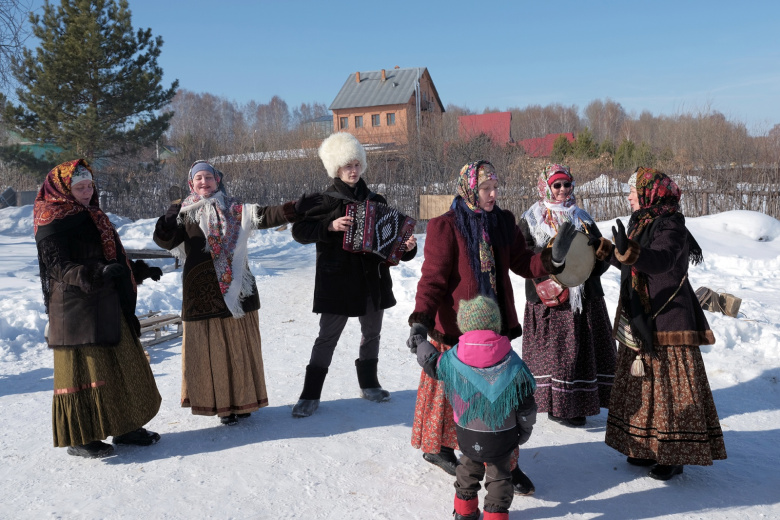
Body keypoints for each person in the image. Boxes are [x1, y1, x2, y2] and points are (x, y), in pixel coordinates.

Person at [407, 160, 577, 494]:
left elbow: (522, 262)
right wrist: (419, 323)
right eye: (486, 189)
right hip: (456, 330)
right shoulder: (447, 226)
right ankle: (439, 448)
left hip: (493, 328)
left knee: (500, 401)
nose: (493, 194)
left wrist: (552, 257)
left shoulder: (502, 221)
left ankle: (506, 465)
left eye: (495, 187)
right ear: (470, 188)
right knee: (450, 400)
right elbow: (433, 281)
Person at [153, 160, 321, 425]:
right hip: (202, 294)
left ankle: (243, 402)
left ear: (217, 180)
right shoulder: (183, 212)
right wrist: (166, 221)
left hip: (238, 292)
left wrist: (294, 209)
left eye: (208, 177)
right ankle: (219, 406)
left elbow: (265, 215)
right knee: (212, 354)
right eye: (198, 178)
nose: (204, 182)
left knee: (239, 349)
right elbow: (165, 242)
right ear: (191, 183)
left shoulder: (235, 209)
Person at [603, 167, 726, 480]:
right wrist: (604, 249)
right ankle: (645, 447)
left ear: (649, 192)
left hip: (669, 318)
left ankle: (673, 454)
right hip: (642, 316)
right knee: (644, 389)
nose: (629, 196)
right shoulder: (642, 221)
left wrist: (629, 251)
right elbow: (630, 260)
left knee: (671, 391)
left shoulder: (671, 224)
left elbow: (661, 260)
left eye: (633, 190)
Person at [34, 159, 163, 458]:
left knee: (122, 365)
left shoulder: (93, 215)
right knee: (86, 372)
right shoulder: (50, 217)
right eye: (79, 186)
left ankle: (126, 426)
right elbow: (57, 266)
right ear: (63, 188)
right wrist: (93, 274)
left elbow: (110, 254)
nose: (86, 191)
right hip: (75, 308)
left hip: (106, 301)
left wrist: (137, 271)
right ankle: (81, 438)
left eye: (90, 185)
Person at [290, 132, 417, 418]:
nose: (353, 170)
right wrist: (330, 226)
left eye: (357, 164)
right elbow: (298, 232)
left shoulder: (377, 199)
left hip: (372, 280)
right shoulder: (322, 200)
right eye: (347, 165)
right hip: (336, 281)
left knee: (372, 333)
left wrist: (408, 247)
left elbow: (394, 246)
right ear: (336, 167)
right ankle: (309, 394)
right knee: (327, 337)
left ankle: (369, 384)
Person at [410, 296, 537, 520]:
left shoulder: (453, 358)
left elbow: (431, 362)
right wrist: (525, 431)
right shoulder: (513, 362)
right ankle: (495, 517)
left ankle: (464, 513)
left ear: (464, 325)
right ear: (495, 324)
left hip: (467, 433)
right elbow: (526, 405)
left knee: (468, 470)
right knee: (499, 477)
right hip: (503, 434)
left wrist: (421, 342)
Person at [518, 164, 616, 427]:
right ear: (546, 187)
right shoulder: (531, 219)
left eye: (567, 184)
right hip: (550, 301)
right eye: (556, 185)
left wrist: (602, 256)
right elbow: (523, 257)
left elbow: (597, 255)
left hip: (583, 299)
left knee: (582, 352)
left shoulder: (582, 217)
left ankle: (580, 403)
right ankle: (558, 406)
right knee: (558, 354)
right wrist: (546, 280)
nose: (562, 190)